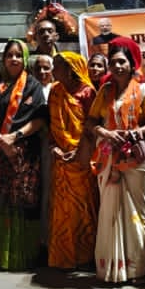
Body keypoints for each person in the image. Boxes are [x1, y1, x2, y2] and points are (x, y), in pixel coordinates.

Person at [88, 36, 145, 283]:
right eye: (113, 62)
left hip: (137, 161)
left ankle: (135, 269)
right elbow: (91, 121)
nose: (117, 67)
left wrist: (134, 133)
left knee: (136, 215)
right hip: (110, 158)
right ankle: (111, 268)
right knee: (110, 212)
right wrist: (106, 133)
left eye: (122, 62)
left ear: (132, 64)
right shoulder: (105, 91)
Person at [0, 38, 49, 271]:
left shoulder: (33, 86)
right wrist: (1, 141)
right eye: (9, 55)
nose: (13, 59)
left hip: (25, 154)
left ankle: (23, 255)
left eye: (18, 55)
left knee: (24, 202)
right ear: (3, 58)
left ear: (24, 59)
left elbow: (40, 119)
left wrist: (15, 137)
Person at [47, 51, 99, 270]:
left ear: (71, 69)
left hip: (83, 158)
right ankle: (63, 256)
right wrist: (55, 148)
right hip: (61, 159)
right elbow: (52, 126)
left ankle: (85, 256)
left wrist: (79, 152)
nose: (53, 70)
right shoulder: (55, 91)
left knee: (84, 207)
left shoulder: (88, 93)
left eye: (58, 65)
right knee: (63, 210)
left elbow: (91, 127)